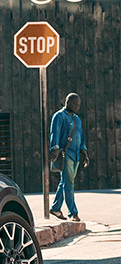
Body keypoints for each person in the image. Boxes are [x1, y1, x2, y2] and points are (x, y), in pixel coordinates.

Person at [48, 93, 89, 222]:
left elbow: (81, 137)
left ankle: (55, 208)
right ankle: (73, 213)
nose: (77, 107)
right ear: (67, 102)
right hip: (65, 155)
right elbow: (55, 133)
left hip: (76, 155)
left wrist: (85, 154)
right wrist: (54, 149)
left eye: (79, 105)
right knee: (69, 184)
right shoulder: (59, 116)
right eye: (75, 104)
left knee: (65, 182)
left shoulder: (77, 119)